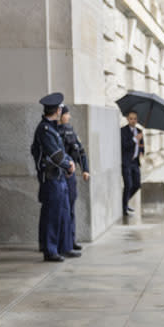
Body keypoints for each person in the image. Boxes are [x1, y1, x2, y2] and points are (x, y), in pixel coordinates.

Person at [31, 92, 80, 261]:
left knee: (64, 212)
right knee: (52, 214)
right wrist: (68, 164)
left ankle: (64, 246)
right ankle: (50, 250)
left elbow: (62, 152)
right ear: (56, 110)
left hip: (59, 176)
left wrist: (68, 163)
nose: (61, 111)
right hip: (51, 178)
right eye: (60, 108)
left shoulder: (52, 128)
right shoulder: (45, 129)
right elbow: (54, 154)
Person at [57, 104, 90, 250]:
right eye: (66, 114)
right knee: (61, 210)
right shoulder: (54, 132)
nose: (69, 116)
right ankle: (61, 242)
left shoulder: (70, 131)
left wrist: (85, 169)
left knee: (70, 209)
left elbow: (80, 151)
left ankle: (71, 239)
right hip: (60, 175)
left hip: (70, 176)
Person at [120, 111, 144, 216]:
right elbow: (124, 145)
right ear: (127, 119)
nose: (133, 120)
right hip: (126, 162)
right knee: (128, 184)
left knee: (137, 184)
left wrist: (142, 152)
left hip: (135, 162)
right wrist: (135, 139)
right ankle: (124, 207)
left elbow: (141, 144)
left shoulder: (139, 131)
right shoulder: (123, 131)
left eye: (134, 118)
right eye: (131, 118)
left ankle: (124, 202)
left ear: (137, 120)